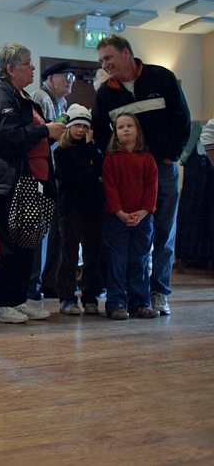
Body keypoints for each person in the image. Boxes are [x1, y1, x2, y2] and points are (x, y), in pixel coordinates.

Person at [92, 35, 191, 316]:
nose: (105, 65)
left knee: (163, 233)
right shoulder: (105, 94)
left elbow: (182, 119)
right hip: (125, 174)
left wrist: (172, 155)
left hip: (163, 168)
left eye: (109, 58)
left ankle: (158, 293)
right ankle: (127, 298)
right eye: (102, 61)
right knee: (127, 240)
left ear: (126, 53)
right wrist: (115, 161)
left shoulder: (162, 78)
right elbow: (100, 134)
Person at [0, 42, 65, 324]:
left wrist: (49, 133)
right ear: (11, 69)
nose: (33, 67)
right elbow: (5, 136)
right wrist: (44, 130)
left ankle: (17, 299)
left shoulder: (20, 95)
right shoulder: (0, 94)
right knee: (14, 245)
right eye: (27, 62)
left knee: (27, 244)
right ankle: (0, 304)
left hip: (28, 180)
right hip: (4, 181)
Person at [101, 113, 159, 320]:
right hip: (117, 219)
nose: (125, 130)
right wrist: (121, 213)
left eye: (129, 126)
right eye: (120, 127)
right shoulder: (111, 160)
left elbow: (152, 188)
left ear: (137, 131)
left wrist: (143, 212)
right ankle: (116, 304)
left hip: (143, 219)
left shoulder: (148, 159)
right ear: (115, 133)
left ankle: (140, 303)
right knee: (117, 261)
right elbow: (110, 189)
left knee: (140, 261)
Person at [28, 61, 76, 300]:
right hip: (40, 173)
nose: (70, 81)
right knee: (38, 231)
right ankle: (33, 284)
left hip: (55, 175)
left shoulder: (63, 103)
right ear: (51, 78)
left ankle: (49, 281)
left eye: (72, 78)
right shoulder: (40, 97)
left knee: (56, 231)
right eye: (66, 76)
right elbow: (46, 140)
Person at [52, 104, 104, 315]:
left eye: (85, 126)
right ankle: (67, 297)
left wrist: (91, 153)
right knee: (69, 255)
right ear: (69, 126)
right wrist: (89, 172)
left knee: (93, 255)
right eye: (78, 125)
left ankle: (91, 297)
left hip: (93, 208)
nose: (82, 130)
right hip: (70, 209)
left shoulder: (93, 151)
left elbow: (99, 169)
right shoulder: (61, 153)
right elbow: (71, 179)